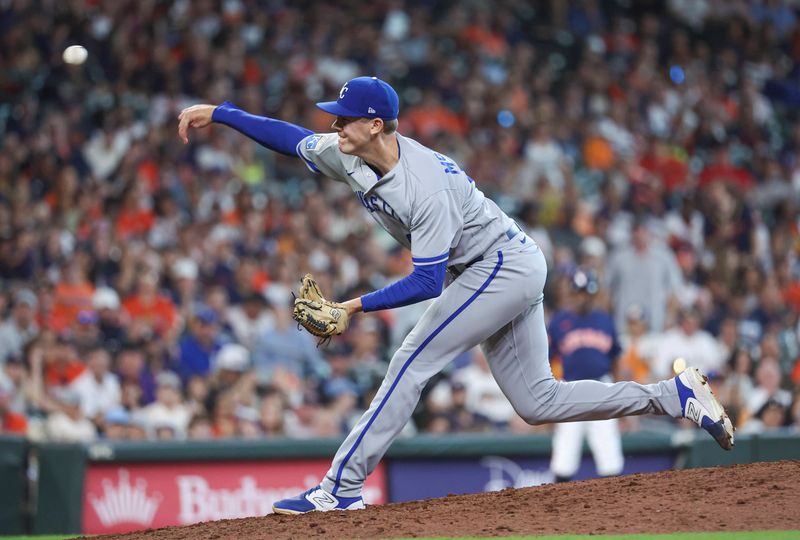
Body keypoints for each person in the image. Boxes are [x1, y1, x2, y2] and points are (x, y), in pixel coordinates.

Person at [178, 76, 734, 514]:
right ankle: (670, 395)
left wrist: (352, 306)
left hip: (500, 266)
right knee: (537, 402)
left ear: (375, 125)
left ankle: (338, 488)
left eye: (343, 118)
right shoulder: (349, 151)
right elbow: (289, 137)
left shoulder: (424, 187)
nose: (334, 124)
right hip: (502, 265)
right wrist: (222, 114)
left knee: (411, 360)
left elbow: (426, 283)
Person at [548, 269, 624, 482]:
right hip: (570, 388)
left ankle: (616, 505)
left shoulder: (605, 320)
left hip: (602, 386)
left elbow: (616, 356)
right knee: (564, 455)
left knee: (609, 456)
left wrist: (617, 390)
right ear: (571, 293)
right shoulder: (559, 320)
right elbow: (546, 358)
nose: (582, 297)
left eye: (586, 293)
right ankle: (558, 506)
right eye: (579, 292)